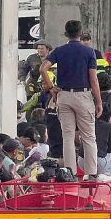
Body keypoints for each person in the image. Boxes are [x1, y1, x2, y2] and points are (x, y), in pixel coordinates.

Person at [40, 20, 102, 179]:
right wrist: (99, 101)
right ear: (81, 33)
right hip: (83, 95)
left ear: (66, 34)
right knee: (88, 137)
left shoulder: (60, 51)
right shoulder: (89, 52)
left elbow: (43, 68)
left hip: (63, 95)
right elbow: (93, 79)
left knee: (67, 136)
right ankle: (91, 174)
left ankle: (70, 173)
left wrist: (50, 87)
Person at [86, 108, 111, 178]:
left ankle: (90, 174)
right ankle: (108, 175)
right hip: (97, 162)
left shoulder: (90, 124)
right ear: (110, 117)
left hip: (82, 161)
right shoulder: (110, 127)